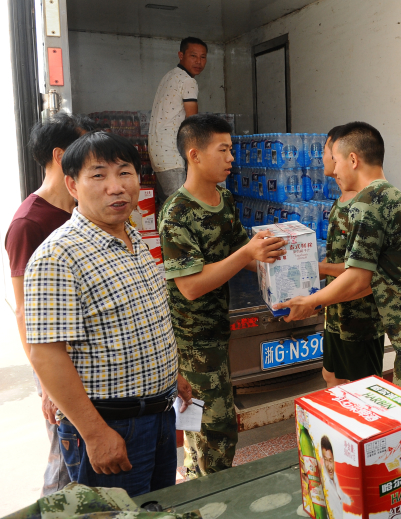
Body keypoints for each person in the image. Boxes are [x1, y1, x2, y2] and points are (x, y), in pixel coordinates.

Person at [274, 122, 401, 519]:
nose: (332, 170)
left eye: (334, 161)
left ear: (353, 159)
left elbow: (357, 279)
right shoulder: (384, 198)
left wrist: (310, 302)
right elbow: (364, 280)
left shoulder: (371, 201)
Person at [25, 131, 193, 497]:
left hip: (160, 416)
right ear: (72, 184)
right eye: (98, 176)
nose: (116, 187)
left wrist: (172, 374)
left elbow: (145, 317)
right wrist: (95, 433)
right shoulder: (58, 256)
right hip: (111, 425)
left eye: (124, 173)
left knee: (156, 506)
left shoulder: (134, 238)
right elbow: (46, 353)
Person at [158, 114, 285, 479]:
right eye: (224, 150)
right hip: (192, 341)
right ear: (195, 155)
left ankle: (197, 481)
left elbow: (237, 249)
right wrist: (248, 254)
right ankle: (213, 497)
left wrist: (275, 261)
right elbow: (191, 285)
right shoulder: (177, 213)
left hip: (217, 330)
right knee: (216, 430)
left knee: (202, 425)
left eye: (231, 150)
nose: (232, 158)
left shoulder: (223, 199)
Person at [5, 114, 94, 496]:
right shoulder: (30, 222)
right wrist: (46, 384)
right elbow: (26, 312)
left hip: (94, 362)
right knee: (65, 473)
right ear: (60, 156)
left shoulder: (81, 210)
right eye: (84, 149)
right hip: (63, 368)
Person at [319, 126, 385, 388]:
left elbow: (359, 274)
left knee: (363, 389)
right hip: (336, 309)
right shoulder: (340, 201)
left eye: (330, 154)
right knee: (332, 376)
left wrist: (320, 269)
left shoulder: (368, 206)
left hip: (361, 318)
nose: (329, 164)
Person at [149, 36, 207, 201]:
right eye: (193, 56)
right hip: (172, 155)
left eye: (203, 57)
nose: (199, 61)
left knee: (167, 208)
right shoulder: (188, 81)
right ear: (181, 55)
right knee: (179, 209)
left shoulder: (170, 76)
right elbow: (192, 121)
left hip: (159, 153)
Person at [321, 435, 351, 518]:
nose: (328, 466)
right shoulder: (323, 479)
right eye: (325, 459)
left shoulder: (338, 476)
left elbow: (344, 497)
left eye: (330, 460)